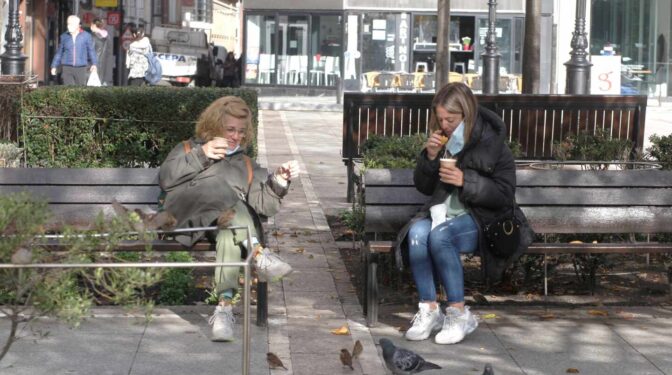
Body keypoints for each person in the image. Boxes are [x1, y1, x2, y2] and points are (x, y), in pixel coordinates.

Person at [159, 96, 296, 342]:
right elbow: (166, 179)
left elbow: (263, 206)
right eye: (230, 129)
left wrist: (279, 181)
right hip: (187, 219)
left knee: (230, 232)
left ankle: (223, 308)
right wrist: (203, 154)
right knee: (219, 188)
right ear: (214, 125)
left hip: (224, 225)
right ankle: (256, 253)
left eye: (241, 132)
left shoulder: (246, 164)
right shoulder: (188, 148)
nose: (236, 136)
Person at [396, 82, 524, 345]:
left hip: (482, 219)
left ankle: (457, 313)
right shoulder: (443, 142)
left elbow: (504, 194)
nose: (444, 125)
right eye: (440, 119)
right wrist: (430, 157)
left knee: (441, 236)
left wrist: (466, 181)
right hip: (444, 214)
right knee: (417, 234)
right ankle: (429, 309)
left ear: (466, 114)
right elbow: (424, 187)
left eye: (450, 119)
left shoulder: (492, 143)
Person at [50, 15, 97, 86]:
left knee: (80, 90)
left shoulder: (86, 36)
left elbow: (91, 50)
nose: (69, 26)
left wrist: (94, 64)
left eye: (71, 24)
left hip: (81, 67)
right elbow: (59, 53)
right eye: (68, 24)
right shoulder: (64, 36)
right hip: (67, 67)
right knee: (69, 89)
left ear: (78, 25)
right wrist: (54, 66)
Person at [90, 18, 111, 85]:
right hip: (104, 63)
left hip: (94, 63)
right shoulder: (107, 36)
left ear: (94, 25)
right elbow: (108, 50)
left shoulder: (93, 37)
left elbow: (91, 50)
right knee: (100, 82)